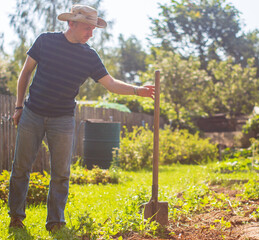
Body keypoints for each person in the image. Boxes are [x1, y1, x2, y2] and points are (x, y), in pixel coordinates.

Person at [8, 5, 155, 232]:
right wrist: (18, 106)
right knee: (21, 168)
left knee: (61, 173)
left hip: (63, 119)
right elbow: (25, 72)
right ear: (71, 24)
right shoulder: (45, 41)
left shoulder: (89, 56)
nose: (91, 33)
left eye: (93, 29)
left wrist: (138, 90)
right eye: (87, 28)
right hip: (32, 113)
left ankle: (55, 221)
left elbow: (111, 84)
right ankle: (16, 217)